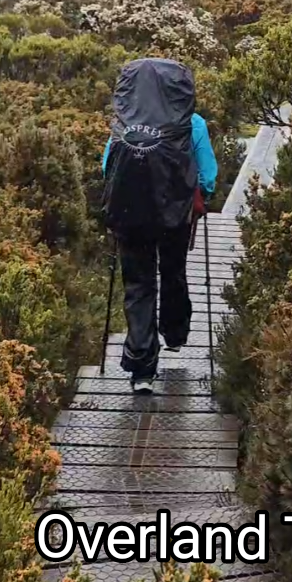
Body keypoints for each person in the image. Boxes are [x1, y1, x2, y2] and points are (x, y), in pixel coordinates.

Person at [101, 57, 218, 393]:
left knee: (138, 286)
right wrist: (198, 198)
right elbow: (207, 177)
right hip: (174, 216)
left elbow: (107, 167)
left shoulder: (124, 123)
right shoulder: (193, 124)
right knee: (173, 271)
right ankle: (176, 332)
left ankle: (141, 370)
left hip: (130, 215)